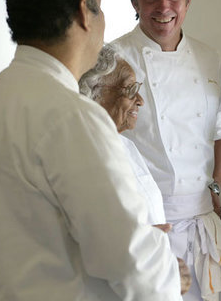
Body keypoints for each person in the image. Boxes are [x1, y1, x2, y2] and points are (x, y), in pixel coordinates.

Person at [0, 0, 183, 301]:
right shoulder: (73, 116)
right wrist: (168, 268)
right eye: (101, 4)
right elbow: (130, 263)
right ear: (84, 11)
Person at [108, 0, 221, 301]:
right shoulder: (113, 58)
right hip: (145, 221)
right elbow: (99, 141)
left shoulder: (208, 56)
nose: (162, 6)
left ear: (188, 0)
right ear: (135, 2)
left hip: (201, 218)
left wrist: (216, 184)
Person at [79, 45, 191, 298]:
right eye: (130, 90)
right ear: (93, 94)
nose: (139, 100)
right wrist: (167, 275)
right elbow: (110, 249)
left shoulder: (125, 145)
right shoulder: (88, 155)